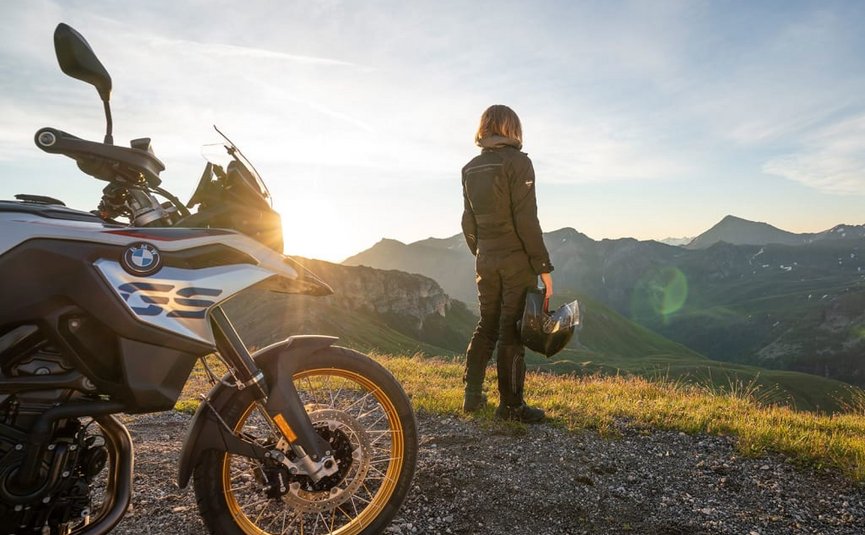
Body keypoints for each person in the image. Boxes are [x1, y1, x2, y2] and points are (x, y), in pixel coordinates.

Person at [460, 104, 554, 423]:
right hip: (516, 261)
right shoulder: (519, 163)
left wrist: (482, 252)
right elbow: (526, 220)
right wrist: (543, 267)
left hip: (485, 259)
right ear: (512, 128)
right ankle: (511, 407)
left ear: (485, 128)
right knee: (511, 330)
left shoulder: (469, 168)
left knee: (487, 324)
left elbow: (467, 222)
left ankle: (472, 397)